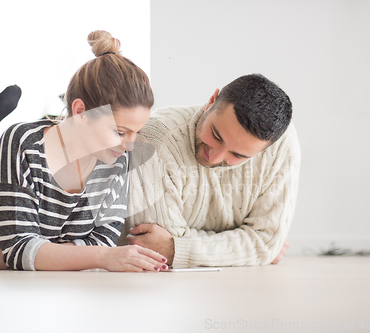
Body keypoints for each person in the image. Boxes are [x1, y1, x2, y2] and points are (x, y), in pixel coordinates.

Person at [0, 30, 168, 272]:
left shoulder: (116, 160)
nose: (129, 146)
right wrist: (20, 254)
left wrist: (13, 256)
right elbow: (21, 247)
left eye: (136, 133)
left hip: (1, 205)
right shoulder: (23, 142)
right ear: (80, 112)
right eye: (121, 132)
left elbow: (102, 239)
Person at [123, 74, 300, 268]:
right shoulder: (156, 139)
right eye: (216, 135)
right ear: (211, 101)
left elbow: (264, 242)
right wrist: (249, 250)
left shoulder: (281, 147)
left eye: (238, 155)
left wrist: (176, 249)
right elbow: (152, 244)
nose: (214, 157)